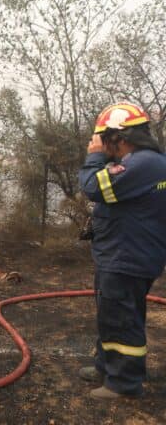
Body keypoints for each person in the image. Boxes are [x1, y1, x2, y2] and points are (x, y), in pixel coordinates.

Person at [78, 102, 166, 399]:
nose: (102, 145)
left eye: (104, 138)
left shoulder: (141, 164)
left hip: (127, 257)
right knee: (114, 315)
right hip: (124, 254)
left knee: (120, 320)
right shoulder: (148, 163)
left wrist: (93, 158)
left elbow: (92, 186)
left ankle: (123, 383)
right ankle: (106, 366)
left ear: (120, 136)